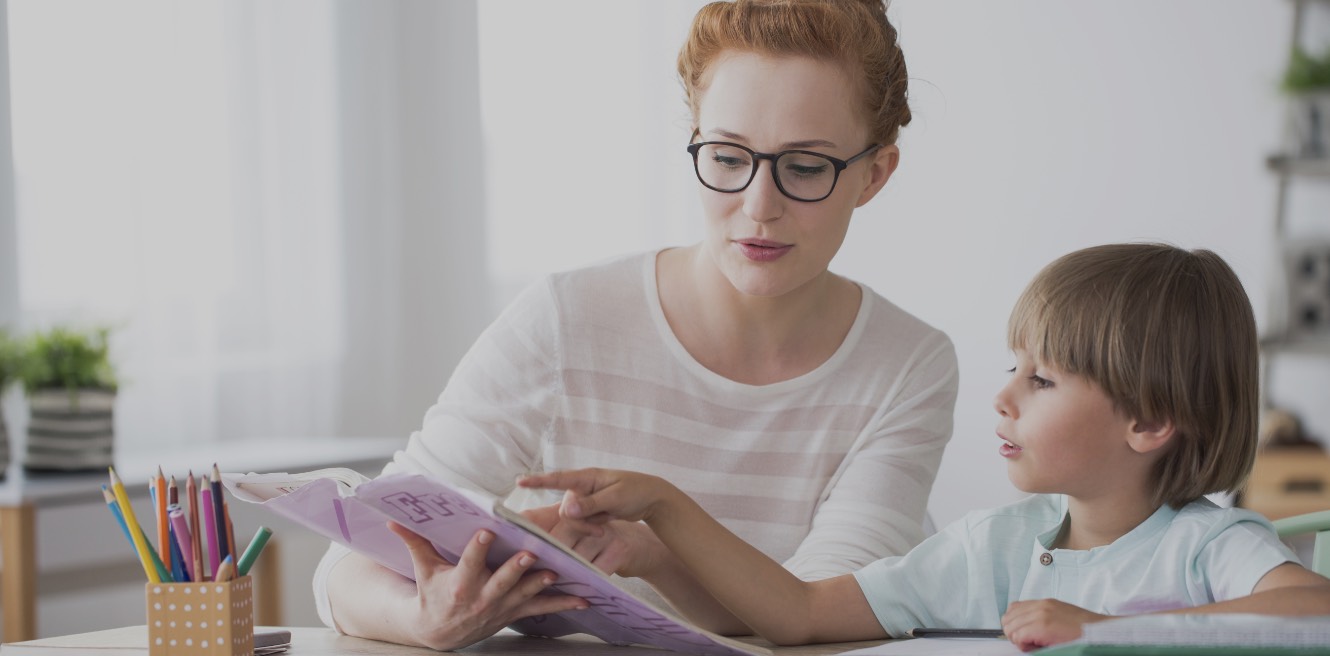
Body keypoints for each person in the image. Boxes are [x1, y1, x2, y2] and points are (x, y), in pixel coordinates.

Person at [314, 0, 959, 650]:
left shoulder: (907, 365)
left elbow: (822, 615)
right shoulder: (568, 321)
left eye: (806, 167)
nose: (760, 206)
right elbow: (351, 561)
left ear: (874, 174)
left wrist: (658, 546)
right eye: (729, 157)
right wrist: (423, 619)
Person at [521, 243, 1330, 652]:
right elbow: (799, 616)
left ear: (1149, 422)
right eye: (1015, 368)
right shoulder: (994, 547)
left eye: (1042, 381)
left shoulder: (1207, 546)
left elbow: (1314, 608)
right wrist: (663, 525)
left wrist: (1099, 631)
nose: (1003, 395)